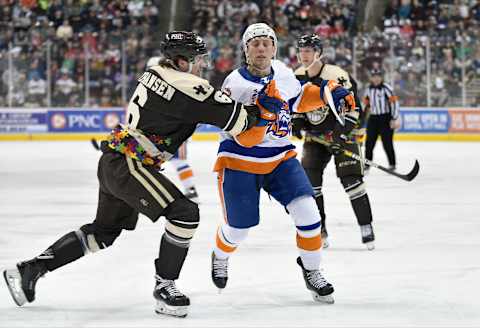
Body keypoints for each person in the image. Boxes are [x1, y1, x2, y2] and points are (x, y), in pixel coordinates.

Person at [3, 31, 282, 318]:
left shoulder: (156, 72)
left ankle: (30, 269)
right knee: (185, 213)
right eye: (199, 59)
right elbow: (241, 122)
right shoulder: (188, 85)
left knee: (102, 233)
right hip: (130, 164)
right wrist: (263, 108)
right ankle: (165, 286)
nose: (203, 66)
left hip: (117, 160)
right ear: (182, 61)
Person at [210, 23, 356, 304]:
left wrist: (327, 91)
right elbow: (245, 139)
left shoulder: (284, 73)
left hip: (280, 158)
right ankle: (220, 255)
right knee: (238, 229)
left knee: (309, 215)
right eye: (255, 44)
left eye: (267, 43)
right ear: (246, 50)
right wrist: (264, 113)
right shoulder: (235, 85)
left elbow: (299, 100)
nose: (262, 48)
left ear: (275, 48)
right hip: (240, 160)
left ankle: (312, 271)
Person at [292, 33, 375, 250]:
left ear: (319, 53)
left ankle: (366, 226)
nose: (304, 55)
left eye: (309, 50)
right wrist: (298, 122)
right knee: (310, 187)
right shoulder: (297, 75)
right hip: (315, 139)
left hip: (342, 135)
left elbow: (352, 107)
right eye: (301, 51)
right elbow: (295, 106)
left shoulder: (335, 75)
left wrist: (341, 133)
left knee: (352, 183)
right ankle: (320, 230)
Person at [146, 57, 200, 202]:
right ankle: (190, 190)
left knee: (159, 163)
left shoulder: (167, 87)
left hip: (170, 133)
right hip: (166, 134)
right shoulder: (174, 84)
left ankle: (189, 190)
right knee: (171, 162)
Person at [363, 68, 400, 171]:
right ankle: (367, 164)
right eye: (374, 77)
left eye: (378, 77)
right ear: (371, 78)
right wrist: (361, 118)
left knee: (387, 143)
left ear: (381, 77)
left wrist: (394, 118)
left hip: (385, 118)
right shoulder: (368, 89)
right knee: (369, 143)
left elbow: (394, 103)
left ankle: (392, 164)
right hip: (373, 119)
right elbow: (365, 105)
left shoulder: (387, 88)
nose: (376, 79)